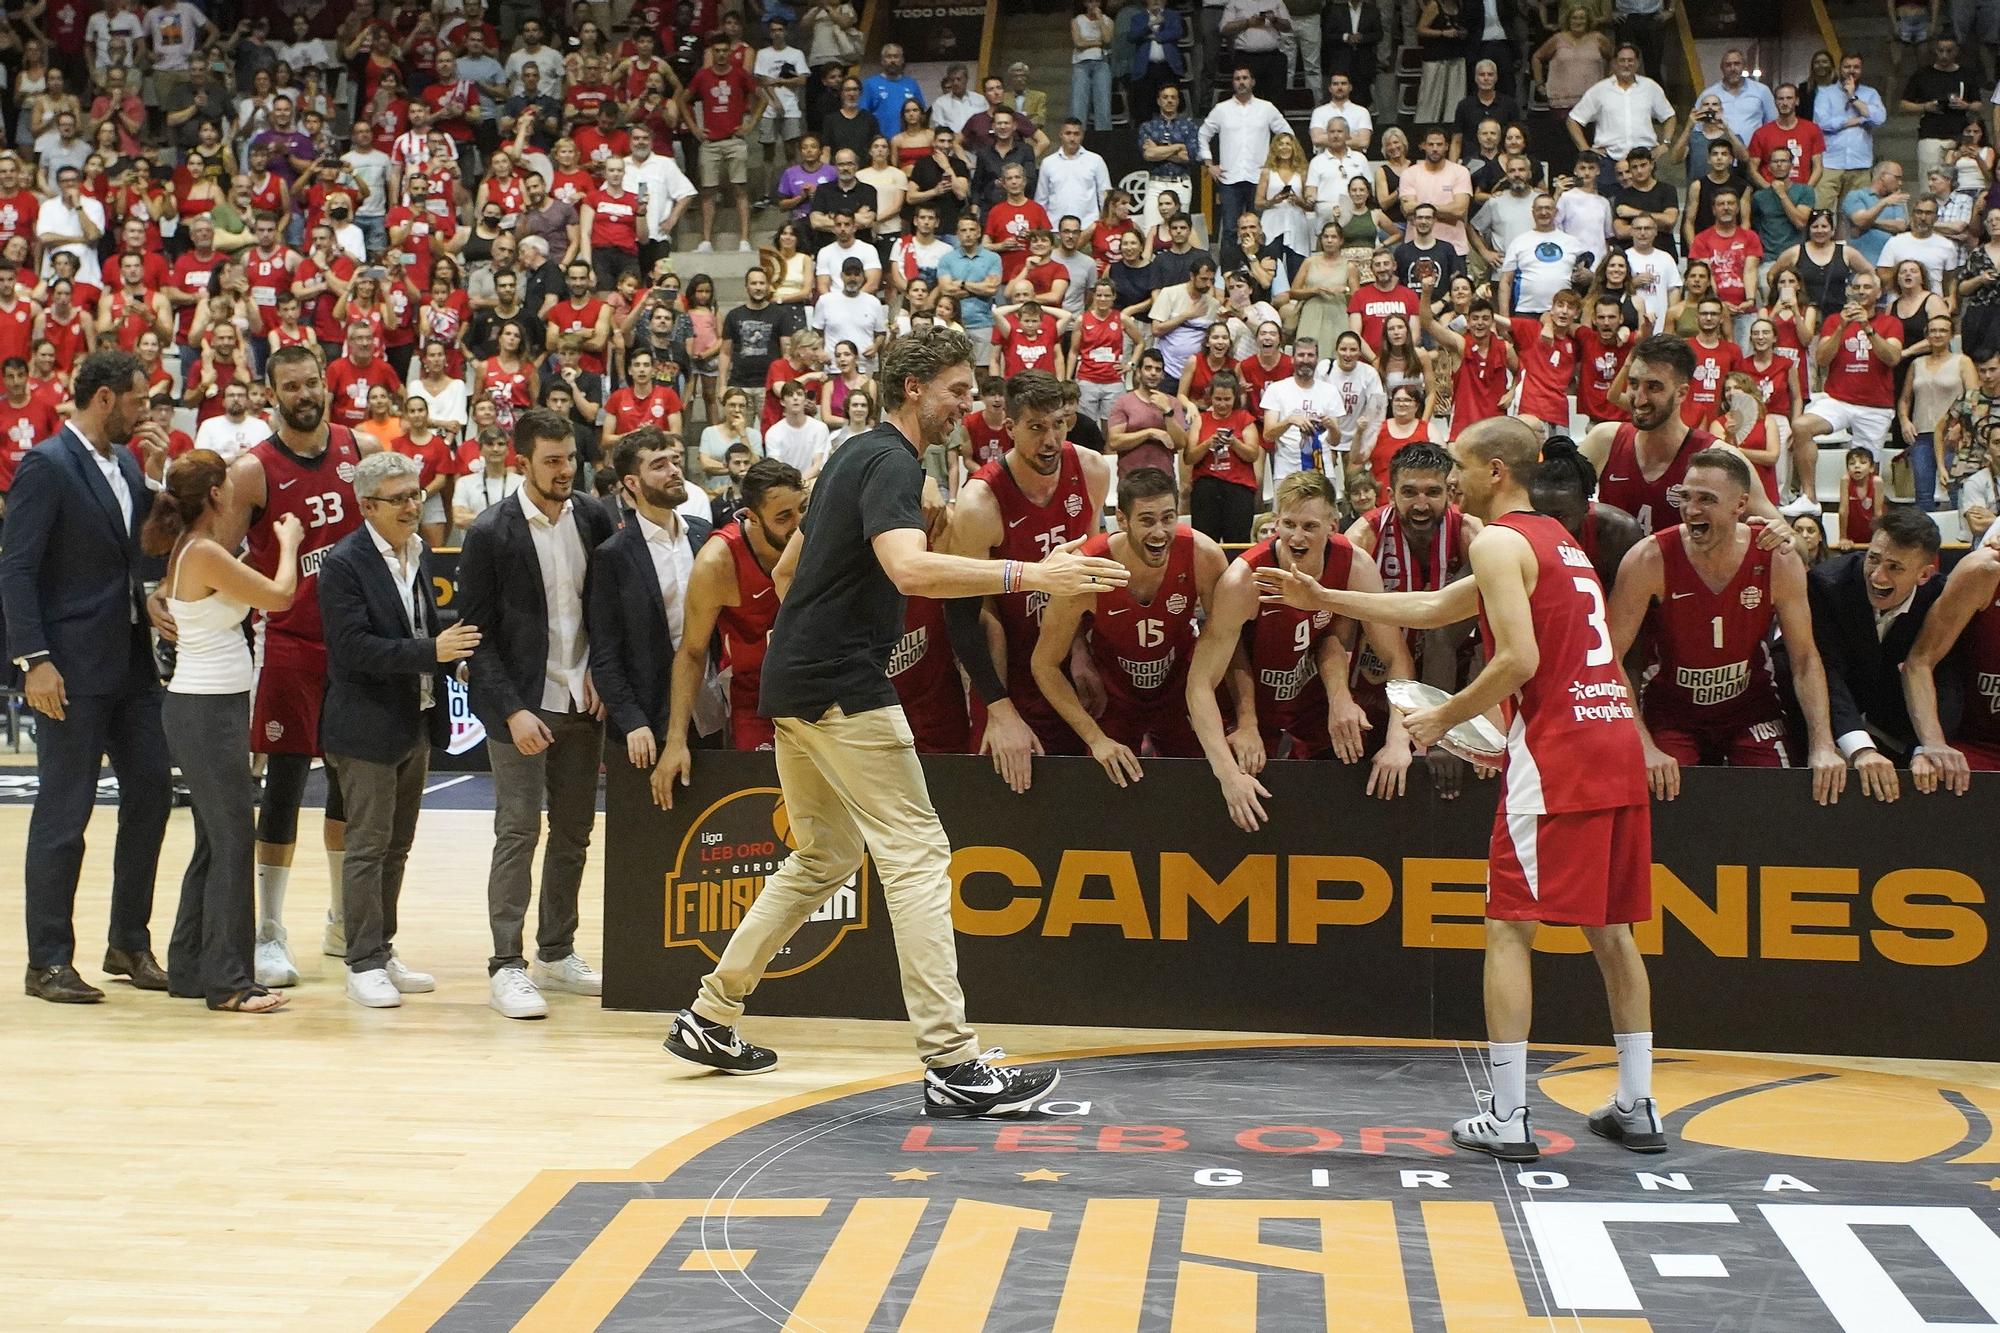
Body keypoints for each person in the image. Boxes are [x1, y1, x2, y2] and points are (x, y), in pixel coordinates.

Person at [658, 328, 1124, 1117]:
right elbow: (908, 569)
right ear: (913, 388)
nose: (967, 407)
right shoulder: (893, 462)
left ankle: (710, 1015)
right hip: (843, 684)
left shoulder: (848, 452)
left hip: (791, 680)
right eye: (956, 391)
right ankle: (951, 1061)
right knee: (917, 854)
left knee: (825, 855)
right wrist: (1033, 571)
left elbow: (783, 571)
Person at [1256, 416, 1661, 1163]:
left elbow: (1516, 660)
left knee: (1509, 925)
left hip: (1559, 753)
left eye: (1460, 468)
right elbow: (1440, 607)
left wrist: (1441, 716)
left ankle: (1508, 1115)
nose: (1451, 482)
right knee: (1612, 929)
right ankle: (1637, 1102)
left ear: (1495, 472)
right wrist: (1326, 594)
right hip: (1612, 744)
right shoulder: (1555, 541)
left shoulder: (1497, 538)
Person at [2, 350, 173, 1004]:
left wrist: (155, 479)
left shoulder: (127, 462)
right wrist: (33, 660)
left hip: (129, 661)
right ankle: (46, 960)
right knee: (64, 814)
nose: (146, 412)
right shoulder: (46, 463)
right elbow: (15, 569)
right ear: (104, 399)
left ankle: (128, 941)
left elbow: (138, 548)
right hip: (67, 669)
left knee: (152, 792)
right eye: (137, 401)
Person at [456, 408, 617, 1021]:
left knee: (574, 834)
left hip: (582, 700)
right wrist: (513, 710)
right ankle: (506, 962)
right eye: (551, 461)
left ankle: (556, 950)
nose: (563, 471)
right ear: (521, 462)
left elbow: (606, 608)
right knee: (518, 833)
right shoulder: (491, 532)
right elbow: (476, 634)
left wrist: (602, 669)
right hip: (519, 708)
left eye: (570, 459)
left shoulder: (596, 516)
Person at [318, 450, 476, 1009]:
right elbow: (352, 648)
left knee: (397, 848)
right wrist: (431, 651)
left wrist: (449, 658)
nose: (414, 505)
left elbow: (422, 625)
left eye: (416, 495)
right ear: (366, 506)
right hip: (363, 726)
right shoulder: (343, 564)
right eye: (401, 498)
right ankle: (360, 962)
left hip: (415, 718)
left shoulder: (419, 549)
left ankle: (380, 950)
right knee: (367, 846)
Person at [1606, 448, 1845, 802]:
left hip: (1750, 710)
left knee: (1782, 800)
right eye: (1685, 497)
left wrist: (1822, 744)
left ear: (1741, 505)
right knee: (1662, 796)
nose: (1691, 510)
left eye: (1707, 499)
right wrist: (1642, 745)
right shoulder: (1648, 559)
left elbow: (1805, 659)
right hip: (1673, 713)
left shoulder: (1777, 560)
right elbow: (1608, 660)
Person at [1187, 469, 1417, 832]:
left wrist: (1398, 741)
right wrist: (1227, 774)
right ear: (1275, 521)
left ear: (1333, 524)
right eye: (1288, 524)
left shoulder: (1355, 565)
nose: (1297, 536)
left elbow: (1396, 657)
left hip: (1311, 699)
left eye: (1310, 526)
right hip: (1250, 701)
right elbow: (1199, 683)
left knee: (1334, 799)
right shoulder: (1244, 579)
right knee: (1243, 804)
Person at [944, 371, 1116, 787]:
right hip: (1008, 672)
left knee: (1090, 789)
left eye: (1059, 424)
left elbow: (1093, 575)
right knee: (1004, 795)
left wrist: (1080, 647)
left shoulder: (1091, 469)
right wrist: (998, 709)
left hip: (1072, 659)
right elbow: (963, 617)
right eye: (1037, 427)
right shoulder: (978, 502)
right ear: (1010, 428)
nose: (1052, 440)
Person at [1032, 467, 1231, 774]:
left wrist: (1246, 720)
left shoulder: (1203, 555)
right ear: (1122, 521)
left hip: (1181, 689)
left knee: (1202, 783)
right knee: (1109, 786)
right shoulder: (1088, 566)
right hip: (1113, 696)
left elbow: (1229, 639)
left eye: (1168, 518)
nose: (1160, 532)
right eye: (1147, 520)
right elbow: (1043, 665)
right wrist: (1096, 739)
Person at [588, 428, 716, 777]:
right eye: (659, 465)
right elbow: (605, 653)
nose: (674, 470)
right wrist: (631, 721)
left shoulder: (705, 534)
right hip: (648, 720)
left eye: (675, 461)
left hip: (712, 712)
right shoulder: (612, 555)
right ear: (632, 482)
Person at [669, 458, 806, 757]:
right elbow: (692, 651)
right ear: (752, 516)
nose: (799, 525)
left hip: (816, 695)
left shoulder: (815, 535)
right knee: (762, 796)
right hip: (755, 700)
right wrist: (676, 740)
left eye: (803, 509)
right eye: (783, 517)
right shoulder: (717, 563)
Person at [1808, 506, 1946, 799]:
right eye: (1873, 559)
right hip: (1837, 713)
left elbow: (1948, 678)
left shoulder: (1938, 598)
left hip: (1897, 717)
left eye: (1895, 567)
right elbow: (1826, 670)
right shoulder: (1827, 585)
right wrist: (1860, 748)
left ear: (1924, 575)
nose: (1877, 576)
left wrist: (1926, 747)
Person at [1792, 268, 1903, 509]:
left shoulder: (1890, 323)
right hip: (1839, 399)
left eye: (1867, 287)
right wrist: (1842, 327)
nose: (1861, 292)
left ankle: (1869, 520)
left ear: (1878, 293)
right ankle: (1809, 497)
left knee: (1869, 471)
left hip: (1875, 405)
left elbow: (1892, 357)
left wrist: (1868, 328)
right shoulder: (1834, 320)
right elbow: (1821, 359)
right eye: (1857, 287)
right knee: (1801, 427)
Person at [1581, 334, 1715, 534]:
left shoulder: (1714, 456)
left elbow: (1770, 522)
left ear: (1681, 393)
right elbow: (1553, 505)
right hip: (1608, 565)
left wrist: (1776, 528)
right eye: (1634, 384)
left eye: (1653, 387)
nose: (1639, 399)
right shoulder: (1605, 439)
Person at [1904, 543, 2000, 791]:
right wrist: (1932, 743)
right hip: (1973, 746)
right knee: (1932, 776)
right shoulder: (1984, 571)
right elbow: (1920, 661)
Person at [1529, 435, 1646, 592]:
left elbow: (1629, 604)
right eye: (1539, 515)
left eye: (1559, 517)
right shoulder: (1516, 533)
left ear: (1586, 506)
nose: (1549, 525)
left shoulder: (1618, 532)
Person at [1567, 43, 1676, 163]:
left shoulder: (1650, 87)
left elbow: (1669, 116)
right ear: (1614, 63)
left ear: (1637, 63)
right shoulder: (1599, 90)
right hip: (1608, 161)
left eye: (1630, 60)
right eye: (1622, 60)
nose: (1626, 65)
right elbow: (1573, 120)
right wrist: (1585, 150)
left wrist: (1665, 144)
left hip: (1644, 160)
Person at [1813, 53, 1888, 211]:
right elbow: (1821, 123)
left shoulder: (1870, 93)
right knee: (1821, 211)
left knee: (1854, 214)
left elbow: (1879, 118)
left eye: (1856, 67)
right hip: (1830, 162)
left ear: (1861, 70)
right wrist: (1855, 120)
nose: (1851, 71)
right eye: (1847, 67)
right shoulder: (1826, 93)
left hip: (1860, 163)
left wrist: (1853, 97)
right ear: (1840, 69)